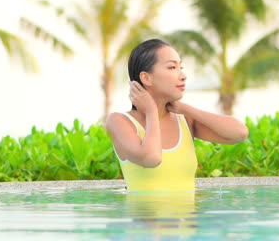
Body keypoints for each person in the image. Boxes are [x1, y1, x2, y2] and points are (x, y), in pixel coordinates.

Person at [105, 39, 249, 192]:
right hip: (147, 215)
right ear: (146, 78)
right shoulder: (119, 121)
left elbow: (239, 134)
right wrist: (151, 111)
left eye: (181, 67)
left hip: (187, 215)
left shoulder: (185, 120)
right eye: (172, 67)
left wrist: (185, 109)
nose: (183, 76)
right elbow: (151, 158)